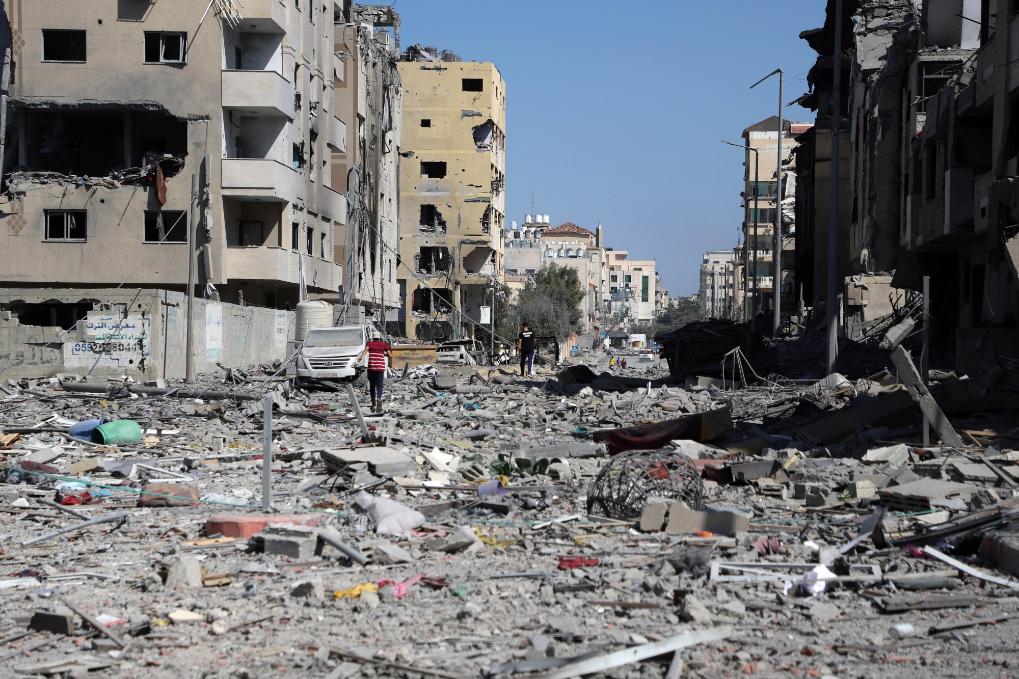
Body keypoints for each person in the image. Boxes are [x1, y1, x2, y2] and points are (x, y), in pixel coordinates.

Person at [357, 330, 392, 414]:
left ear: (373, 337)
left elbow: (365, 351)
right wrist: (383, 354)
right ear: (379, 337)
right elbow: (390, 355)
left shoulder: (370, 344)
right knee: (380, 385)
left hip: (371, 368)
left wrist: (361, 357)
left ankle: (373, 404)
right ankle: (379, 398)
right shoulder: (384, 345)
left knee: (372, 386)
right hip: (380, 368)